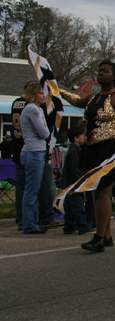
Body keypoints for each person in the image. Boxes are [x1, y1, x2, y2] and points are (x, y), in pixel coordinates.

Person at [61, 61, 115, 252]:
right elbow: (78, 101)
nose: (100, 73)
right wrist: (57, 90)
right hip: (91, 148)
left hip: (110, 149)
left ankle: (99, 238)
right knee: (96, 192)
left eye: (105, 71)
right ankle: (107, 236)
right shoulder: (94, 96)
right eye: (99, 71)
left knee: (102, 191)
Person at [19, 82, 52, 234]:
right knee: (31, 190)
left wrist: (43, 131)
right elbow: (45, 133)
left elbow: (44, 131)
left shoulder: (37, 109)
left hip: (36, 151)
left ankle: (33, 221)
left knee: (34, 189)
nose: (43, 96)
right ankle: (30, 224)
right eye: (40, 93)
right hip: (33, 152)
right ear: (33, 94)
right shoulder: (32, 109)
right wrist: (43, 131)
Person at [61, 125, 92, 235]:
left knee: (69, 206)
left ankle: (69, 226)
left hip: (70, 182)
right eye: (82, 136)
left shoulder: (74, 150)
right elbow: (75, 169)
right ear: (76, 138)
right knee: (77, 204)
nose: (84, 138)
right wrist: (81, 180)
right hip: (74, 183)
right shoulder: (75, 151)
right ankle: (82, 225)